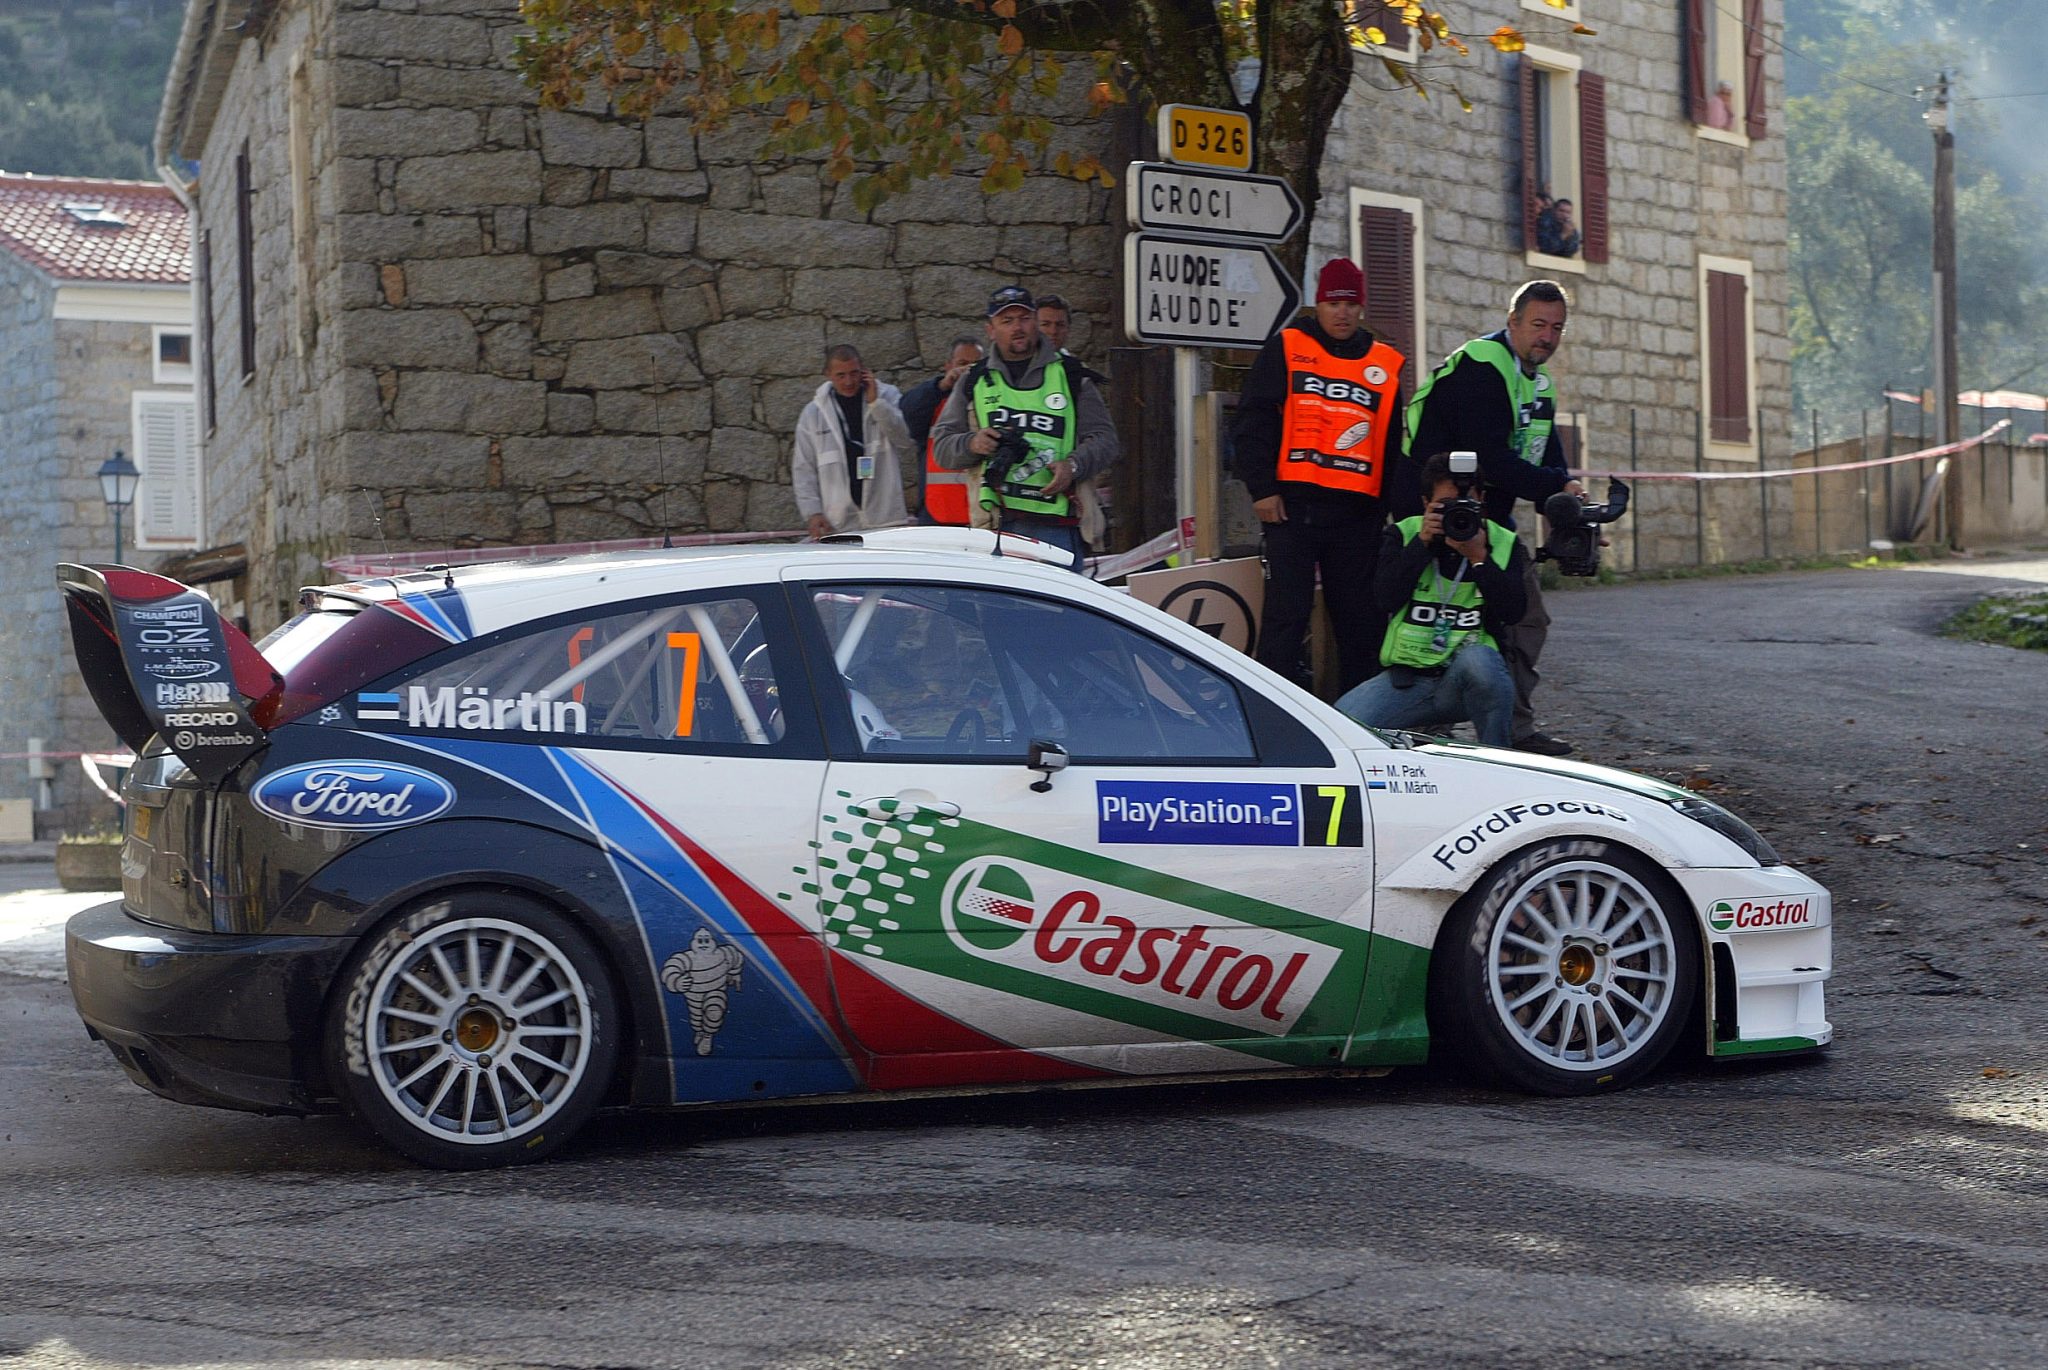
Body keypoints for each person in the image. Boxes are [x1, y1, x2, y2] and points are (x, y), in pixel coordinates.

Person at [1404, 279, 1578, 754]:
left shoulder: (1538, 382)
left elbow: (1546, 458)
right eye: (1538, 324)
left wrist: (1569, 503)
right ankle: (1424, 733)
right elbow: (1493, 461)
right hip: (1432, 513)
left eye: (1557, 328)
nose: (1547, 336)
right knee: (1434, 620)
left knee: (1525, 618)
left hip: (1489, 517)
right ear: (1512, 322)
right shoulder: (1481, 367)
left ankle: (1515, 734)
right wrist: (1554, 487)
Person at [1229, 257, 1407, 696]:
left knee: (1361, 624)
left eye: (1350, 304)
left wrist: (1387, 512)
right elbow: (1253, 422)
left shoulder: (1384, 363)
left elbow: (1389, 446)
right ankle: (1274, 713)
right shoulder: (1288, 347)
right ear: (1318, 304)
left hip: (1357, 517)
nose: (1342, 313)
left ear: (1361, 307)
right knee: (1285, 620)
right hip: (1292, 511)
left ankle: (1361, 717)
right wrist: (1262, 489)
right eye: (1332, 303)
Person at [1335, 451, 1527, 748]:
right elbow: (1384, 599)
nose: (1457, 513)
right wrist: (1422, 545)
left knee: (1481, 660)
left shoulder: (1503, 542)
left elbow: (1514, 612)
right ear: (1426, 503)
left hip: (1466, 679)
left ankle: (1498, 757)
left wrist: (1479, 558)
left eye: (1467, 504)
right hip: (1408, 679)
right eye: (1445, 506)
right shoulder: (1404, 533)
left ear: (1482, 500)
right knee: (1340, 724)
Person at [930, 284, 1120, 570]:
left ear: (1035, 322)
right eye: (1007, 321)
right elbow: (943, 447)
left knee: (1057, 601)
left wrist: (1073, 466)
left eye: (1024, 318)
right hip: (995, 528)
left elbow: (1106, 440)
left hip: (1057, 527)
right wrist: (973, 444)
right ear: (991, 330)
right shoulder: (974, 380)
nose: (1017, 328)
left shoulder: (1071, 375)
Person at [793, 344, 913, 538]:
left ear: (863, 371)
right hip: (839, 521)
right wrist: (813, 512)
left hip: (885, 516)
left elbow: (905, 438)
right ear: (828, 374)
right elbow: (803, 468)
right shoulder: (813, 414)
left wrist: (876, 404)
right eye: (841, 375)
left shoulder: (887, 396)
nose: (848, 381)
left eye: (854, 373)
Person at [899, 335, 984, 526]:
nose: (968, 370)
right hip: (938, 511)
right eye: (962, 363)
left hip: (980, 510)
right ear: (948, 366)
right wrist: (941, 385)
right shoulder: (933, 401)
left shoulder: (991, 399)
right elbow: (907, 411)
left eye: (975, 364)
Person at [1034, 293, 1108, 386]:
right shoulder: (1019, 366)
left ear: (1068, 328)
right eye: (1045, 324)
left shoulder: (1078, 373)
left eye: (1060, 325)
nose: (1053, 331)